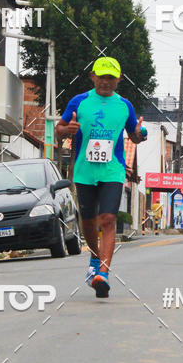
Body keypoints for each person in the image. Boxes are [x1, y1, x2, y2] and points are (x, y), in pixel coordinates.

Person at [55, 57, 147, 298]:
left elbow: (134, 136)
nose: (105, 81)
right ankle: (95, 259)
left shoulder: (125, 106)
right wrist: (67, 130)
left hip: (112, 170)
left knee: (108, 219)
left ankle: (103, 274)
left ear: (119, 79)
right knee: (88, 223)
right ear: (92, 77)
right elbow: (59, 129)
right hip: (84, 171)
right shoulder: (79, 101)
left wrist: (140, 134)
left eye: (111, 77)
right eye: (101, 76)